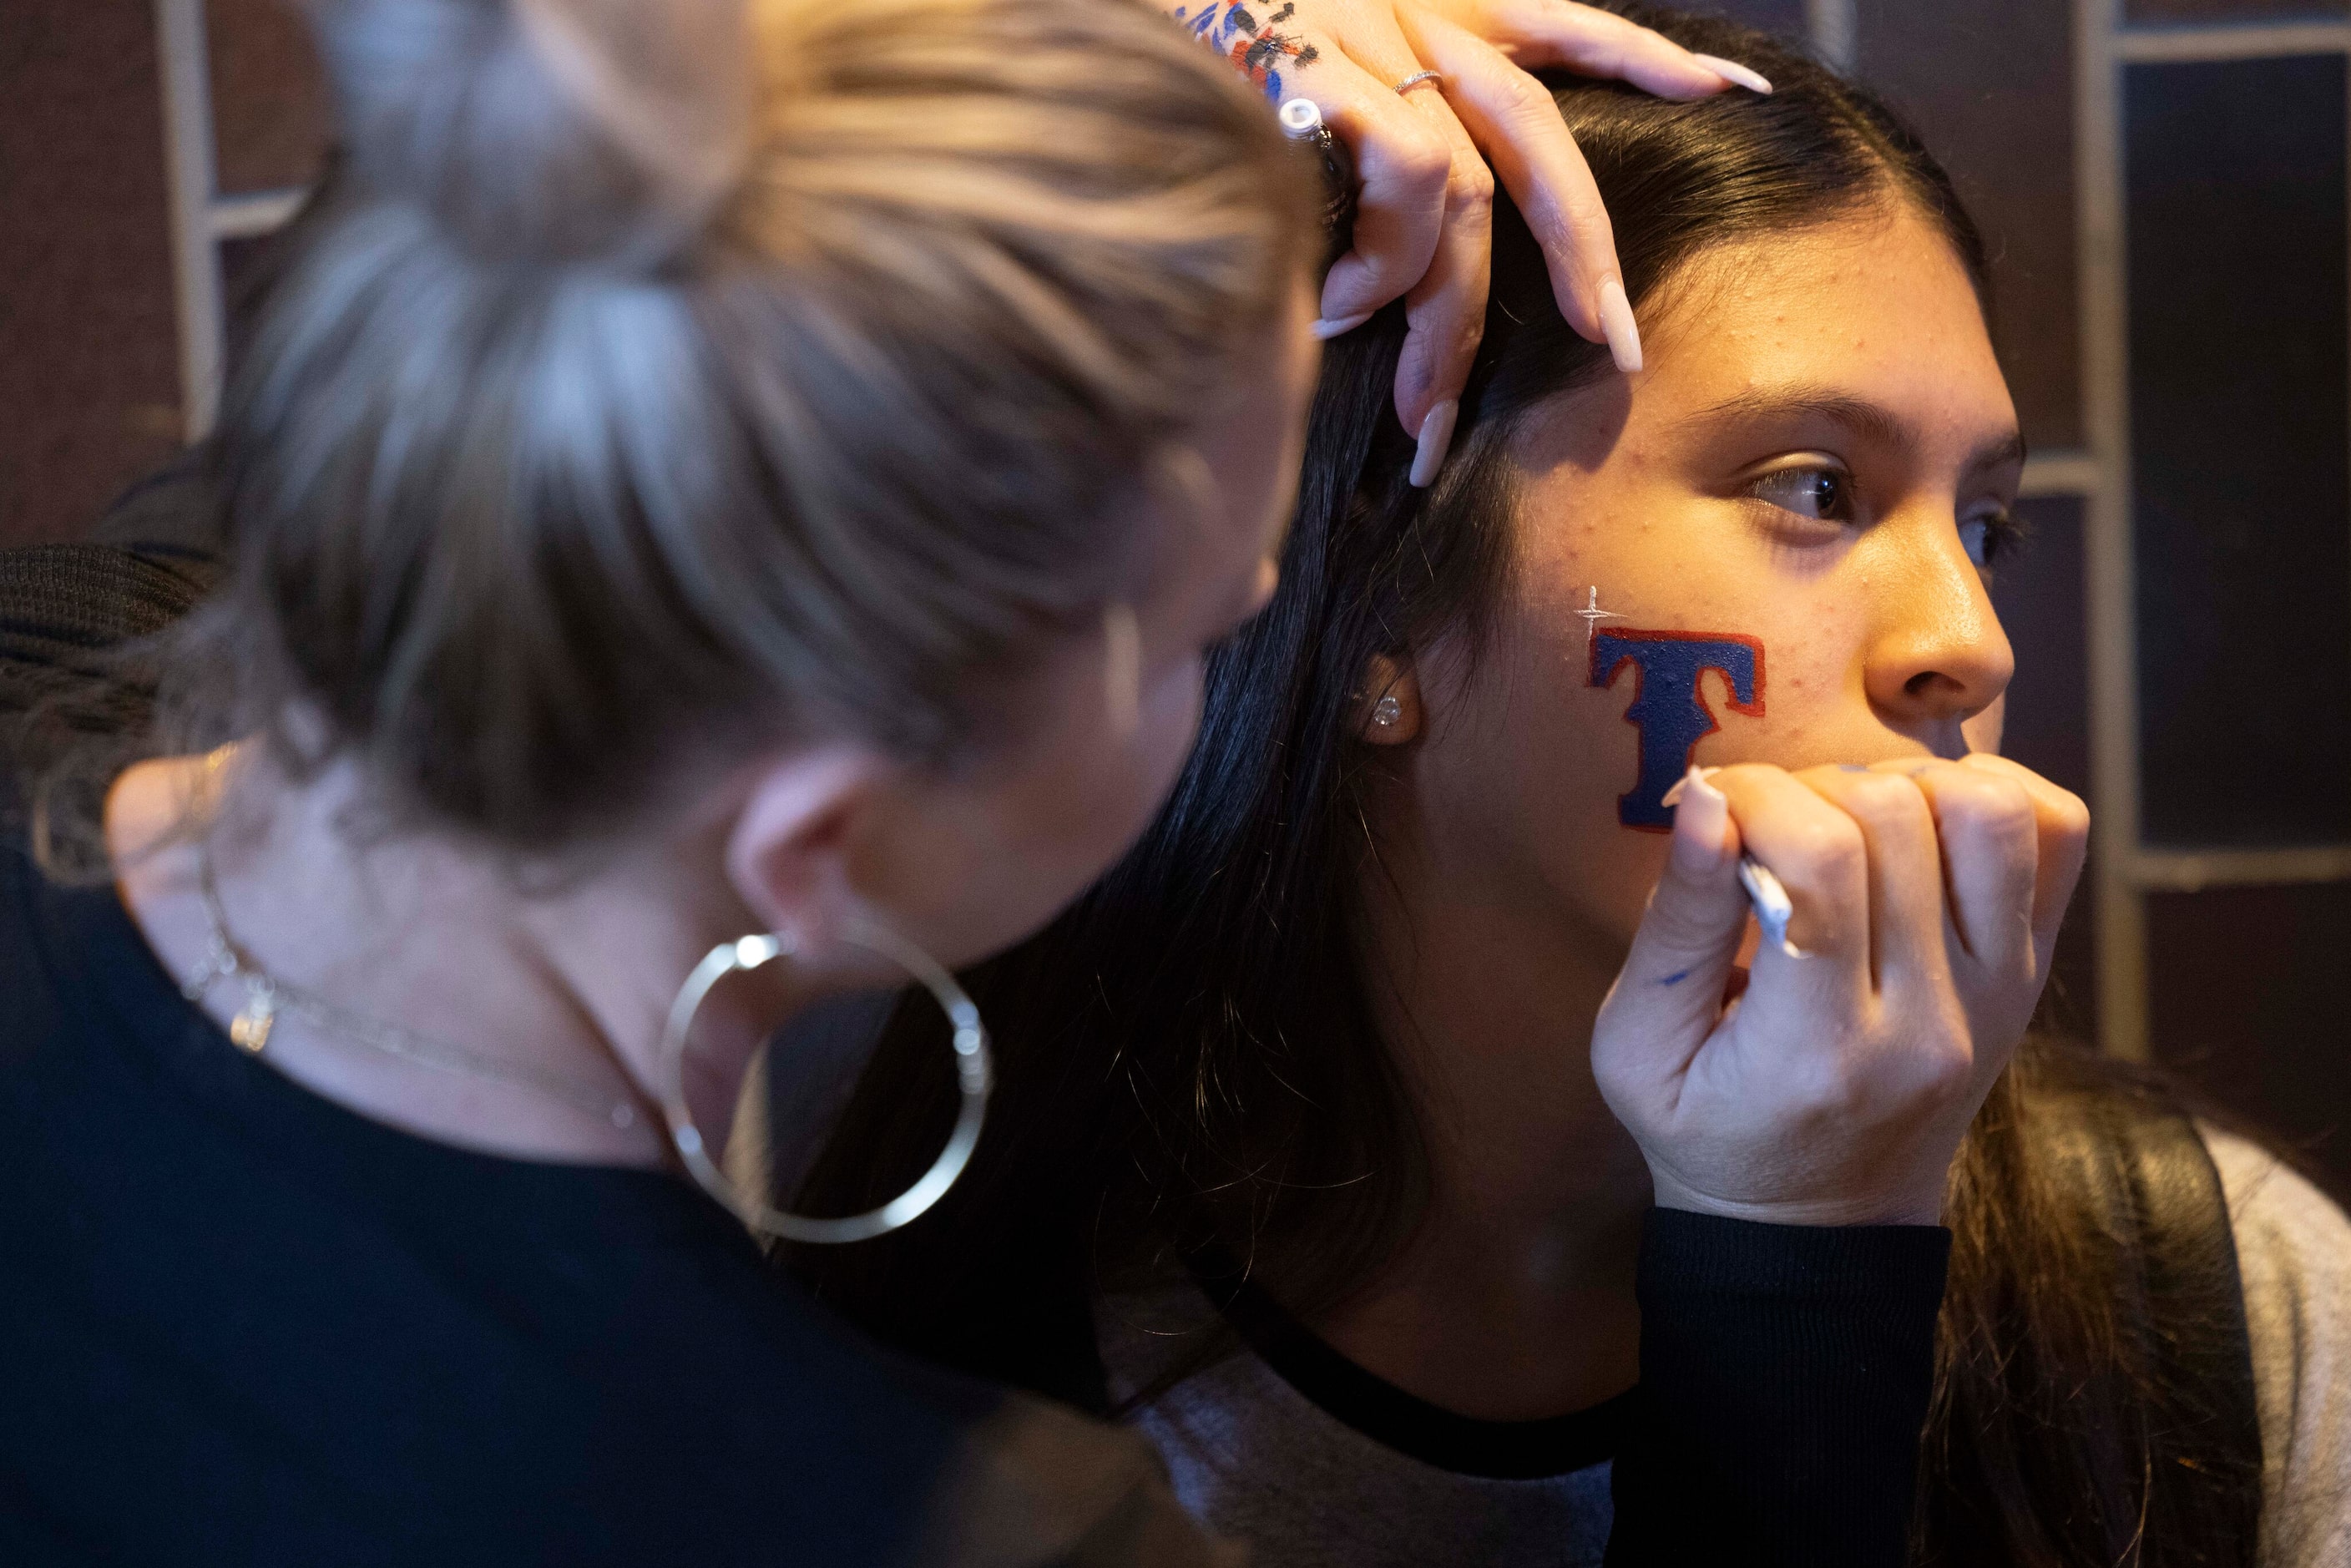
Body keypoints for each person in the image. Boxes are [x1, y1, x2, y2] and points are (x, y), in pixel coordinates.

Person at [0, 0, 2011, 1564]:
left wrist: (1124, 86)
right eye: (1222, 621)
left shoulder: (51, 727)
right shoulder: (912, 1526)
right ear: (826, 849)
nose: (1973, 645)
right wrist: (1804, 1275)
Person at [786, 9, 2351, 1568]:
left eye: (1986, 526)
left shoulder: (2212, 1305)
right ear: (1376, 608)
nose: (1970, 642)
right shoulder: (914, 1395)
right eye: (1814, 489)